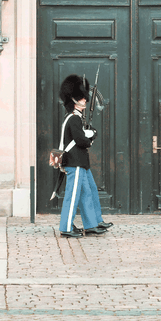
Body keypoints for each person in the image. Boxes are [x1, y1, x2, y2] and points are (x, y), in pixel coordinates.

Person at [58, 74, 114, 238]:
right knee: (72, 196)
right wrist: (89, 138)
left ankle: (91, 224)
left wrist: (89, 133)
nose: (84, 101)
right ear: (74, 99)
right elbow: (80, 140)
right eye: (81, 98)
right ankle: (66, 227)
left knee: (88, 192)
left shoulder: (76, 118)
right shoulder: (74, 118)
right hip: (74, 162)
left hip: (80, 161)